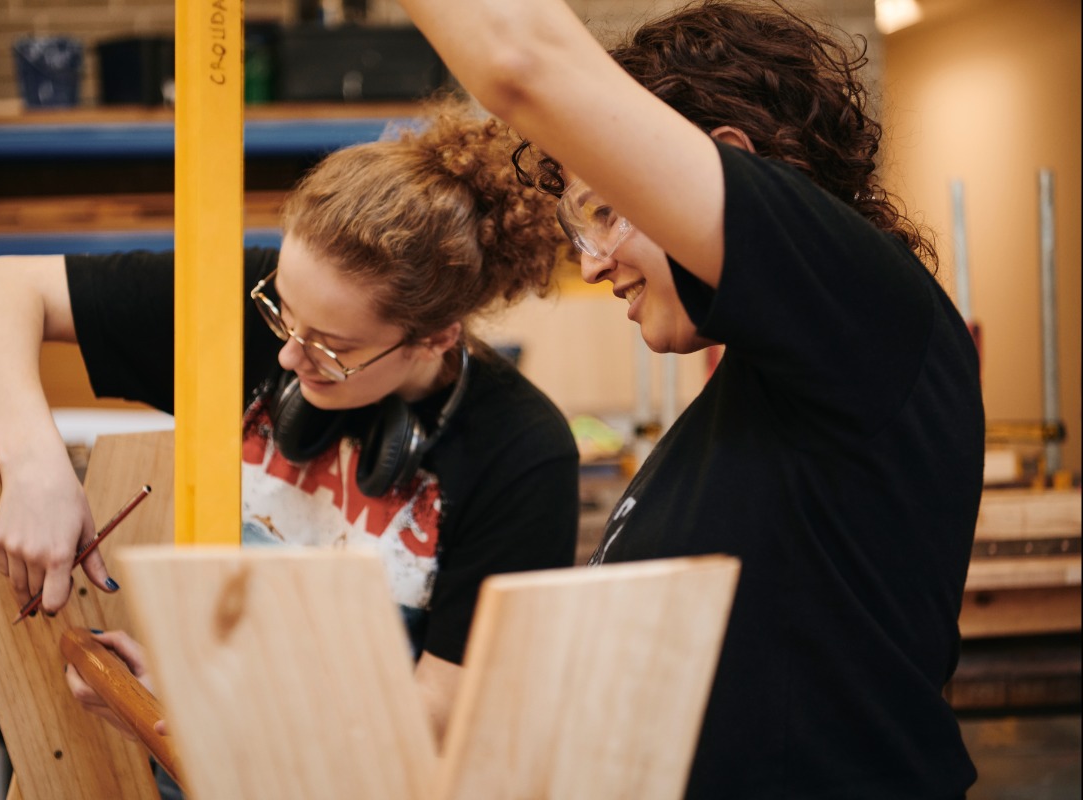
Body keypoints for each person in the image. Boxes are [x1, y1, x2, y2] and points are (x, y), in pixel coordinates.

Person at [393, 0, 985, 796]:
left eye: (605, 212)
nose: (594, 266)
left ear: (727, 162)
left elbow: (520, 60)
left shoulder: (865, 308)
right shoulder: (756, 406)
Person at [0, 100, 580, 748]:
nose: (287, 355)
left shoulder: (522, 453)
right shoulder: (257, 303)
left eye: (331, 345)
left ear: (434, 338)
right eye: (282, 311)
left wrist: (234, 720)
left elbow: (443, 717)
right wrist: (34, 466)